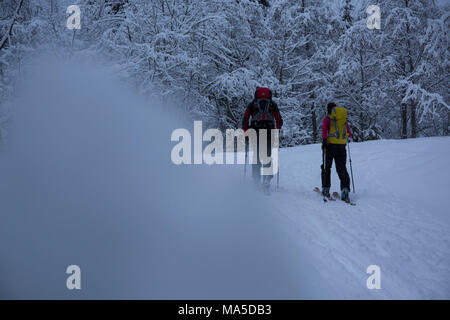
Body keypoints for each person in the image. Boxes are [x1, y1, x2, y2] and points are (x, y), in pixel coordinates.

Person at [242, 87, 283, 195]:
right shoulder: (272, 104)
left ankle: (256, 181)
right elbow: (279, 120)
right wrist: (277, 131)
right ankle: (267, 180)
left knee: (256, 156)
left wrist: (246, 133)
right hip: (269, 132)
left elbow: (245, 119)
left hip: (255, 132)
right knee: (268, 155)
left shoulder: (252, 104)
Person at [321, 102, 352, 202]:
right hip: (341, 147)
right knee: (342, 168)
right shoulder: (342, 119)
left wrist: (324, 140)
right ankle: (345, 191)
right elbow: (349, 133)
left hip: (330, 146)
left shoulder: (327, 119)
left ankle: (326, 190)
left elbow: (324, 129)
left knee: (327, 167)